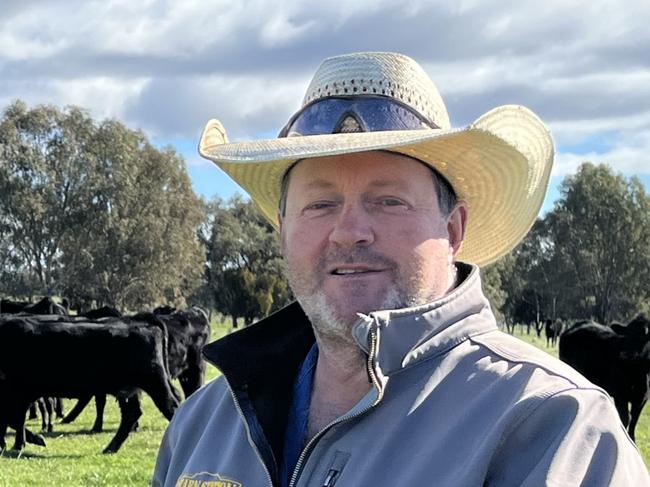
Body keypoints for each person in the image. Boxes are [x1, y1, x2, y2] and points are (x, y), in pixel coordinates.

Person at [153, 52, 649, 486]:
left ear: (453, 230)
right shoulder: (203, 426)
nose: (349, 231)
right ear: (283, 229)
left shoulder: (553, 428)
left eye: (389, 200)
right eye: (320, 203)